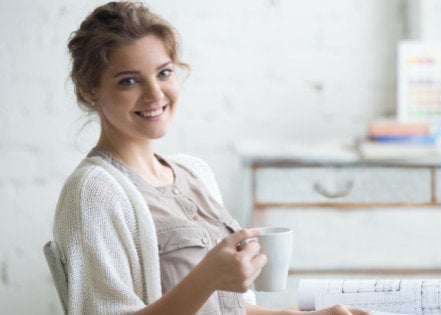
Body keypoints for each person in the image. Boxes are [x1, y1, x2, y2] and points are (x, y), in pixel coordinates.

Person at [54, 2, 371, 314]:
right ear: (88, 89)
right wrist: (206, 278)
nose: (155, 94)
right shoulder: (95, 192)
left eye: (164, 73)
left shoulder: (195, 173)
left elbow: (229, 308)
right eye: (129, 80)